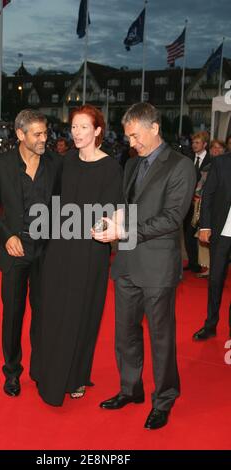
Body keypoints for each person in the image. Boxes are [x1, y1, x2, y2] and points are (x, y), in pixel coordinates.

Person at [93, 103, 196, 429]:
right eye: (127, 137)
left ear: (154, 128)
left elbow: (172, 218)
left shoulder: (181, 166)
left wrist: (123, 230)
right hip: (125, 263)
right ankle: (130, 389)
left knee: (161, 338)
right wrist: (111, 221)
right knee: (124, 334)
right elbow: (128, 207)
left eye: (135, 136)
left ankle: (164, 398)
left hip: (157, 267)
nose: (131, 142)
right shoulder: (132, 165)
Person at [30, 104, 123, 406]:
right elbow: (53, 202)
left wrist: (88, 228)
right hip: (58, 250)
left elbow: (109, 212)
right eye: (74, 127)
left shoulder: (111, 167)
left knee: (81, 314)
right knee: (54, 311)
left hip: (88, 253)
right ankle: (49, 372)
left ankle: (75, 377)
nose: (77, 132)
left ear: (98, 131)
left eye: (84, 127)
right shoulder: (66, 161)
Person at [0, 110, 62, 397]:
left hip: (46, 251)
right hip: (15, 252)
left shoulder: (55, 164)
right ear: (20, 134)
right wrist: (6, 236)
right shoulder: (0, 166)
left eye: (45, 133)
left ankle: (39, 370)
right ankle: (12, 372)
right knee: (13, 315)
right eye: (37, 134)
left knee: (43, 314)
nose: (44, 139)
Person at [193, 152, 231, 340]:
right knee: (215, 280)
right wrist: (205, 226)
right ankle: (210, 324)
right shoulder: (221, 162)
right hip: (222, 231)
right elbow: (207, 195)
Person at [183, 132, 211, 273]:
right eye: (193, 142)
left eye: (197, 143)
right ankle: (194, 263)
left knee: (197, 235)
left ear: (205, 144)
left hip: (203, 204)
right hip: (188, 203)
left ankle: (203, 264)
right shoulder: (188, 159)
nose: (194, 145)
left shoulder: (211, 160)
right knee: (187, 235)